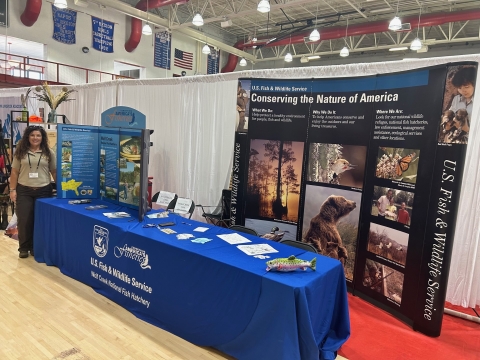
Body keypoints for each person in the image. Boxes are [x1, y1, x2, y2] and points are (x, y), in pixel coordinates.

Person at [9, 126, 56, 258]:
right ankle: (24, 247)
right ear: (28, 137)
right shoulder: (21, 152)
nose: (35, 138)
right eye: (32, 135)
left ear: (42, 138)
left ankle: (36, 247)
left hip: (44, 191)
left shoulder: (48, 152)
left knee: (40, 221)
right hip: (24, 190)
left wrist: (62, 190)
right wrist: (12, 190)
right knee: (24, 220)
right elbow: (14, 172)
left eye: (38, 135)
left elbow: (54, 172)